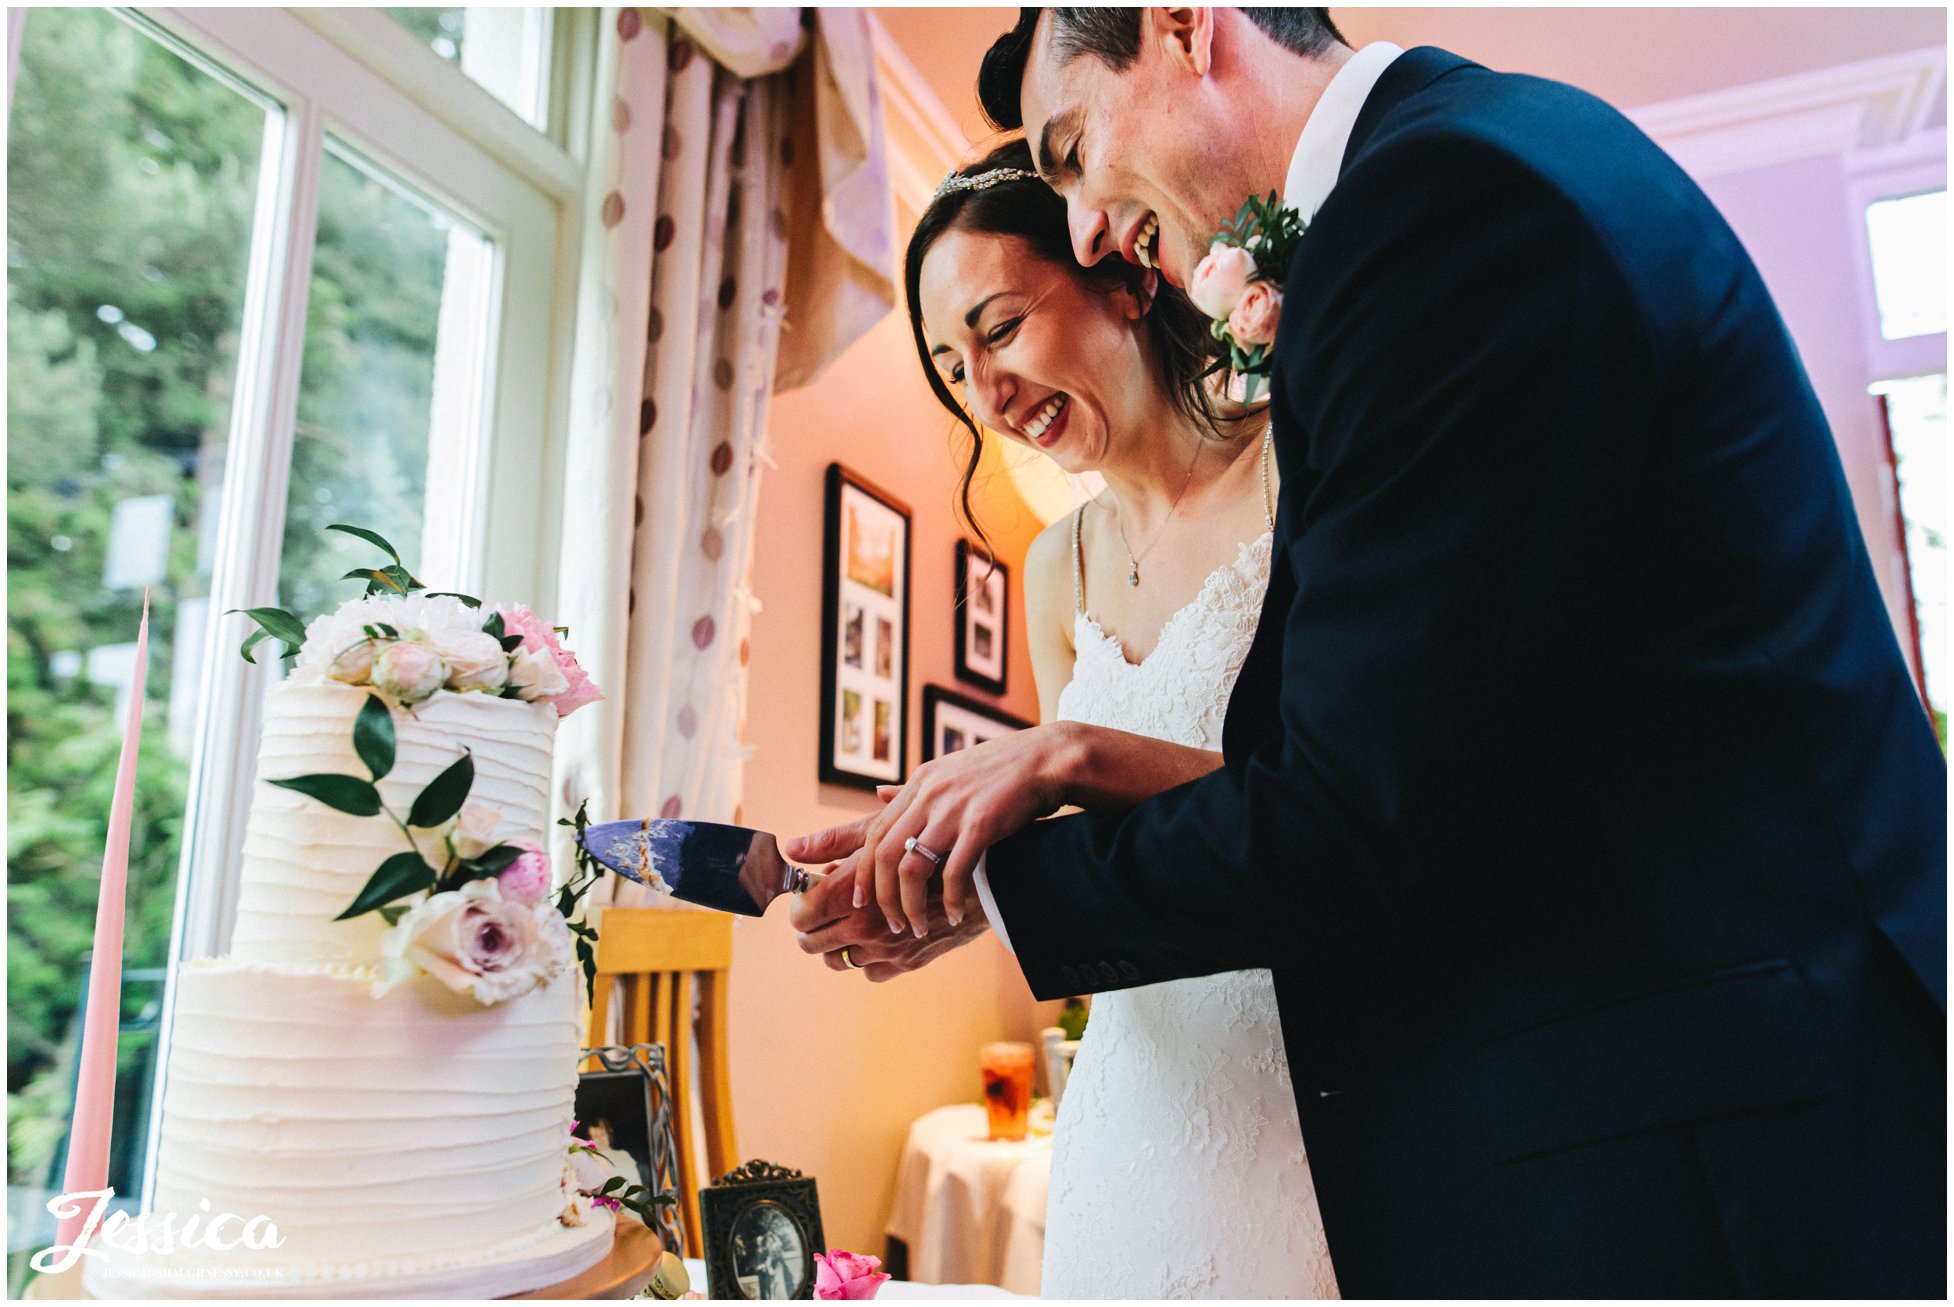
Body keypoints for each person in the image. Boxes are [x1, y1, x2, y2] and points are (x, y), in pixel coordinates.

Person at [792, 8, 1945, 1297]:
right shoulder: (1471, 165)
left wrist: (999, 871)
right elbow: (1454, 754)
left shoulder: (1440, 207)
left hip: (1714, 1107)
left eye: (1073, 148)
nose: (1089, 226)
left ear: (1184, 24)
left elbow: (1361, 805)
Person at [796, 135, 1338, 1296]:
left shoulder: (1309, 471)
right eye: (950, 362)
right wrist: (960, 887)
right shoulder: (1054, 566)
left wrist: (1066, 752)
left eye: (997, 328)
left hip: (1321, 1098)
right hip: (1131, 1121)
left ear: (1125, 272)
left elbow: (1346, 806)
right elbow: (1115, 860)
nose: (982, 394)